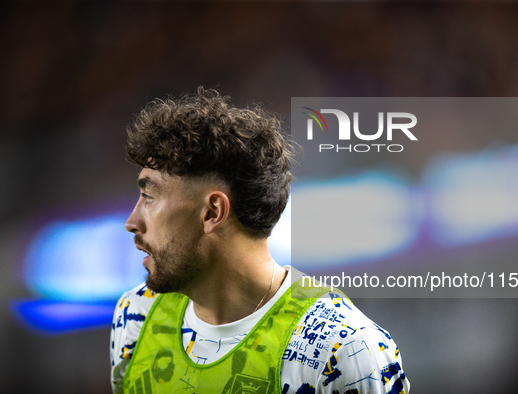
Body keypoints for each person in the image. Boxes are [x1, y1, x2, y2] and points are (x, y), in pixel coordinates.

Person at [110, 87, 409, 394]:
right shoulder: (136, 315)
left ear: (212, 212)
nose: (132, 222)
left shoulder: (342, 351)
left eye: (149, 196)